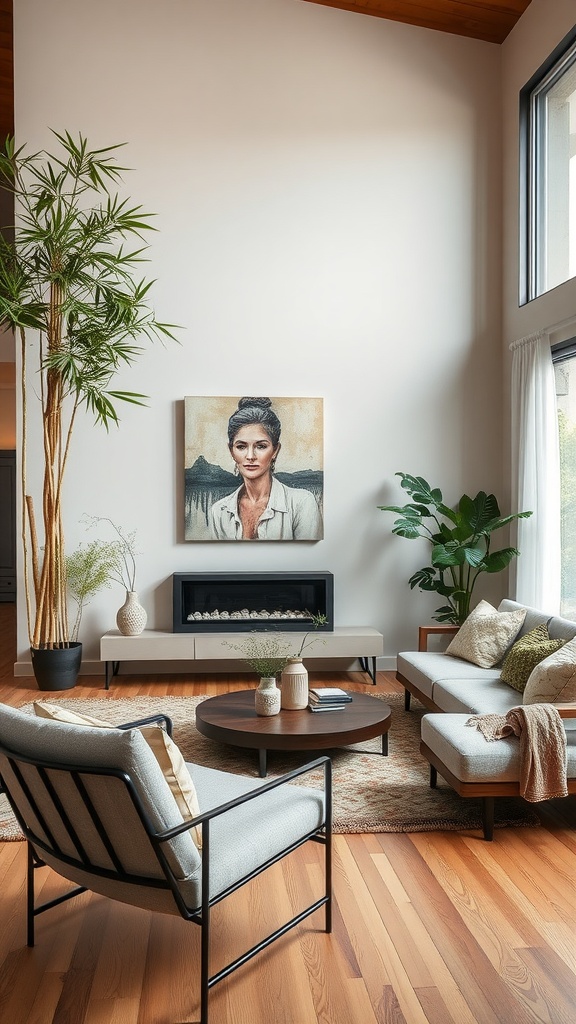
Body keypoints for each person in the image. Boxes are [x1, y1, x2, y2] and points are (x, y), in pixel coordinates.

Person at [209, 397, 323, 541]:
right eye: (241, 446)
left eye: (261, 446)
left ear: (275, 450)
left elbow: (308, 557)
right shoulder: (219, 511)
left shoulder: (302, 503)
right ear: (231, 451)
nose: (250, 456)